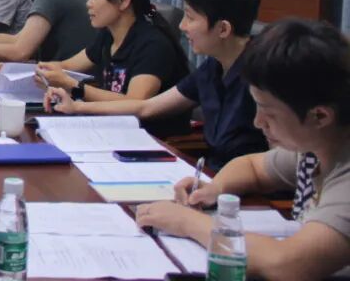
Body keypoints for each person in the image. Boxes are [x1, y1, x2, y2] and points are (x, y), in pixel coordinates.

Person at [135, 19, 350, 281]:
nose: (258, 122)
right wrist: (215, 188)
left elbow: (288, 264)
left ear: (320, 116)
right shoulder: (315, 147)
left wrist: (187, 222)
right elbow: (252, 167)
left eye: (269, 113)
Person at [44, 0, 267, 168]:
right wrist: (77, 106)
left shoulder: (264, 76)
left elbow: (273, 163)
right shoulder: (212, 68)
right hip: (213, 180)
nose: (182, 26)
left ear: (223, 29)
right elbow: (146, 107)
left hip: (243, 190)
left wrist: (77, 89)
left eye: (190, 17)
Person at [35, 0, 191, 137]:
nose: (89, 3)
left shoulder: (153, 45)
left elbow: (135, 102)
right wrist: (39, 70)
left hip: (151, 138)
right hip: (111, 128)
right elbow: (67, 66)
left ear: (124, 0)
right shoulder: (108, 35)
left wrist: (73, 86)